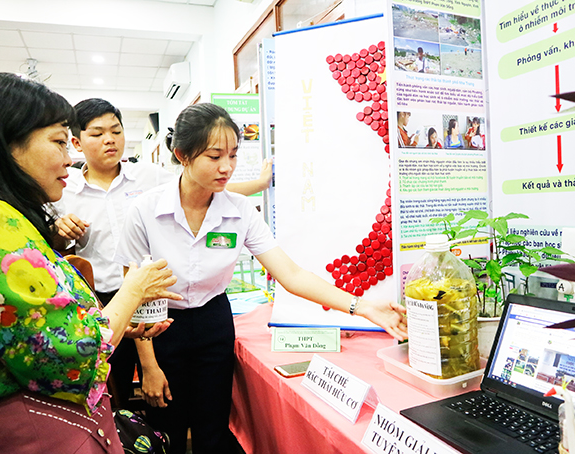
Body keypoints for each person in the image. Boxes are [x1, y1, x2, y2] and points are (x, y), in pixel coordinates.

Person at [114, 103, 408, 454]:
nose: (227, 167)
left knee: (212, 430)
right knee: (166, 430)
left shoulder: (239, 211)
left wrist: (364, 308)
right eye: (214, 156)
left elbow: (292, 275)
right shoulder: (144, 211)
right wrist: (148, 365)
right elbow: (134, 295)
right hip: (160, 327)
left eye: (234, 155)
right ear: (183, 155)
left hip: (213, 323)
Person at [0, 73, 180, 453]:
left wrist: (113, 319)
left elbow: (32, 323)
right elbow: (73, 352)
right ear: (6, 144)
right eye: (57, 142)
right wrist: (134, 290)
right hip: (39, 433)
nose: (69, 159)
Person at [53, 98, 272, 409]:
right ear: (77, 141)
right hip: (108, 300)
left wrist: (261, 184)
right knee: (124, 398)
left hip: (167, 305)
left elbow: (204, 183)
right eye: (98, 133)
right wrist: (149, 365)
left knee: (210, 411)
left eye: (116, 130)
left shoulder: (149, 176)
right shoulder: (65, 190)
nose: (110, 139)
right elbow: (59, 248)